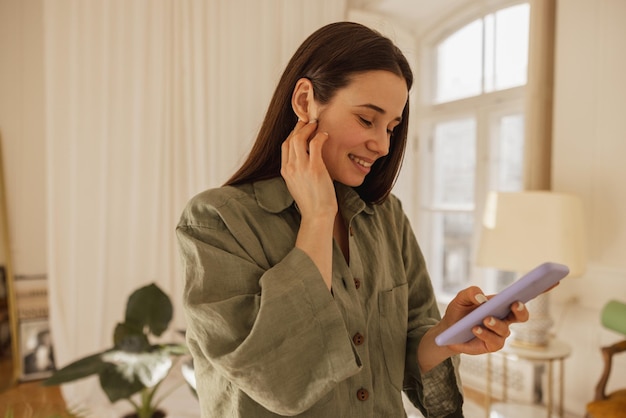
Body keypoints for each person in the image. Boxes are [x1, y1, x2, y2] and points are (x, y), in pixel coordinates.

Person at [177, 21, 529, 418]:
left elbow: (404, 352)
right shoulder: (215, 222)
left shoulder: (387, 217)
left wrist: (448, 337)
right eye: (366, 119)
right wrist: (318, 217)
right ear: (306, 100)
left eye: (391, 128)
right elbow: (277, 380)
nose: (381, 145)